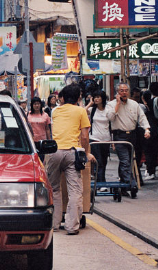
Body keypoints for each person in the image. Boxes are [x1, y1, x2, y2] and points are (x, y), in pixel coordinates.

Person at [45, 84, 93, 235]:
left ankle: (54, 224)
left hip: (55, 151)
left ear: (63, 98)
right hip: (72, 152)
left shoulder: (54, 111)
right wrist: (85, 153)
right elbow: (84, 136)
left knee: (54, 188)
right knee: (74, 190)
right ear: (79, 97)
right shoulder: (81, 111)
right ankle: (72, 226)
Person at [106, 82, 150, 197]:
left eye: (126, 90)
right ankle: (131, 184)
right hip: (119, 136)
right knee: (125, 160)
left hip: (132, 135)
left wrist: (147, 129)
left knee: (129, 161)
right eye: (121, 90)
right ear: (117, 92)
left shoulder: (134, 104)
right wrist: (118, 104)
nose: (124, 92)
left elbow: (142, 117)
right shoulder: (111, 104)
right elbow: (110, 117)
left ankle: (123, 184)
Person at [85, 90, 110, 189]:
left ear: (102, 98)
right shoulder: (92, 110)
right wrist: (90, 103)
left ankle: (100, 182)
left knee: (103, 161)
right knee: (98, 161)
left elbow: (112, 120)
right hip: (94, 139)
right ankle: (101, 183)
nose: (96, 99)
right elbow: (83, 111)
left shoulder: (107, 110)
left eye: (98, 97)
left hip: (106, 139)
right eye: (95, 97)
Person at [142, 90, 158, 180]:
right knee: (154, 152)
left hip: (147, 131)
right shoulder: (155, 104)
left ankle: (150, 171)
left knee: (148, 152)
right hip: (156, 129)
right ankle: (152, 170)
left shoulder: (143, 108)